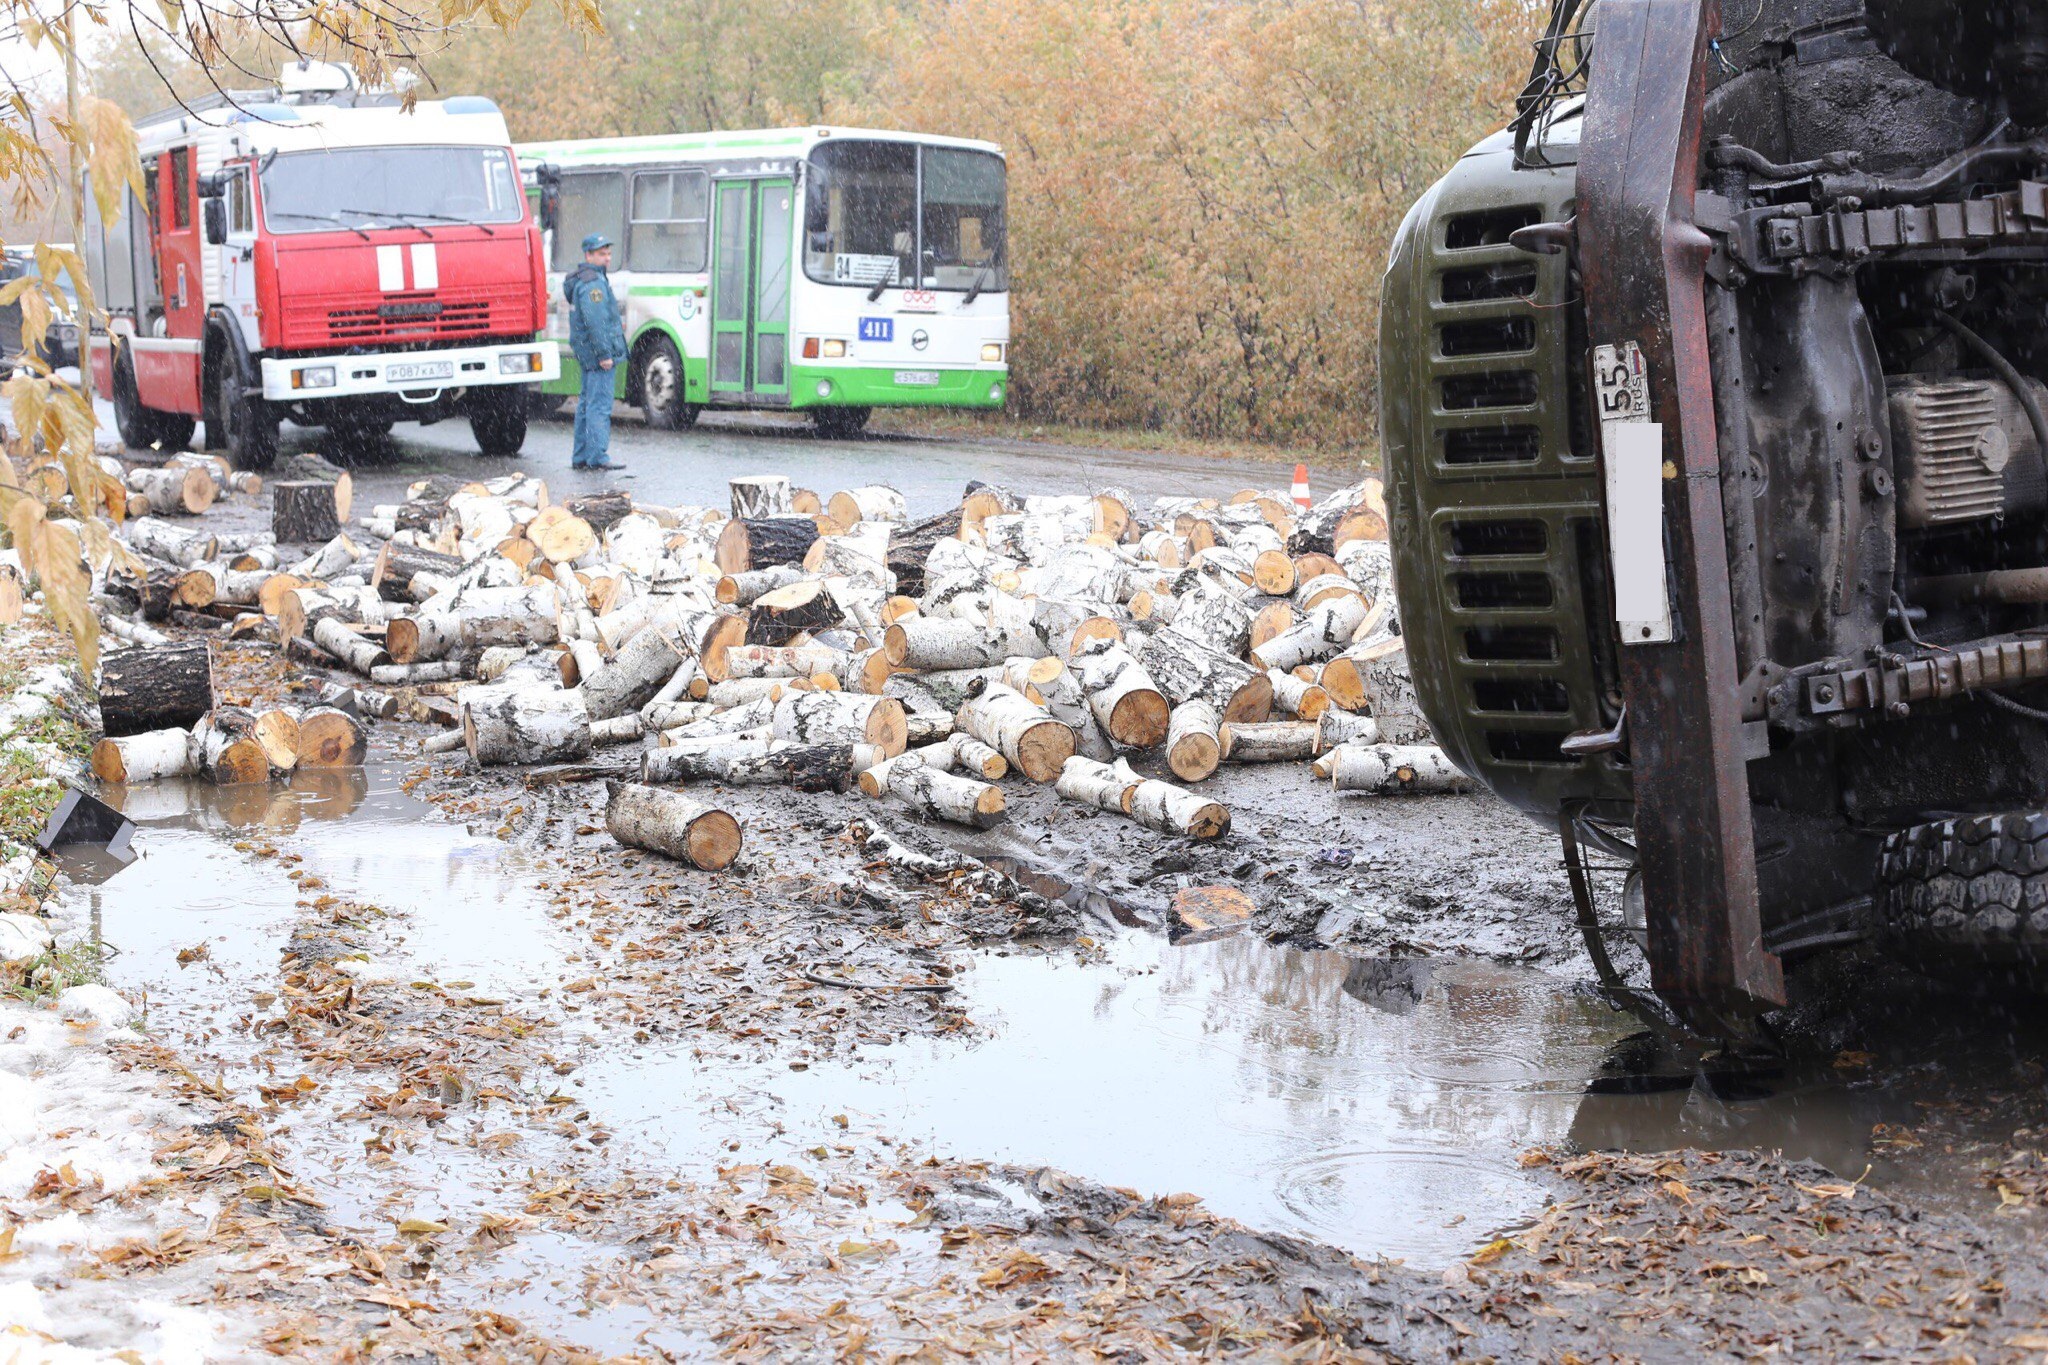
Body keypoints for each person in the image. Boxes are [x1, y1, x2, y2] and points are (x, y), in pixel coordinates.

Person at [566, 233, 628, 472]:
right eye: (602, 254)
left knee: (586, 403)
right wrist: (604, 354)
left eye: (609, 253)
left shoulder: (585, 279)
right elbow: (596, 322)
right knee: (599, 405)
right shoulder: (594, 284)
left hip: (586, 353)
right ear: (588, 255)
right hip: (598, 355)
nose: (607, 258)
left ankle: (581, 455)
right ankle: (597, 456)